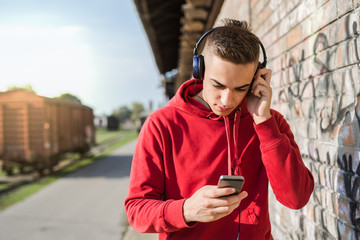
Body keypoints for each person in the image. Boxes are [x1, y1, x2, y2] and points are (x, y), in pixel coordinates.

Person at [125, 19, 314, 240]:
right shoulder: (162, 124)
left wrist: (263, 122)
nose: (226, 99)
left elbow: (296, 198)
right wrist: (186, 210)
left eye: (240, 88)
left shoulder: (271, 123)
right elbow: (136, 211)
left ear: (256, 79)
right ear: (200, 70)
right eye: (218, 85)